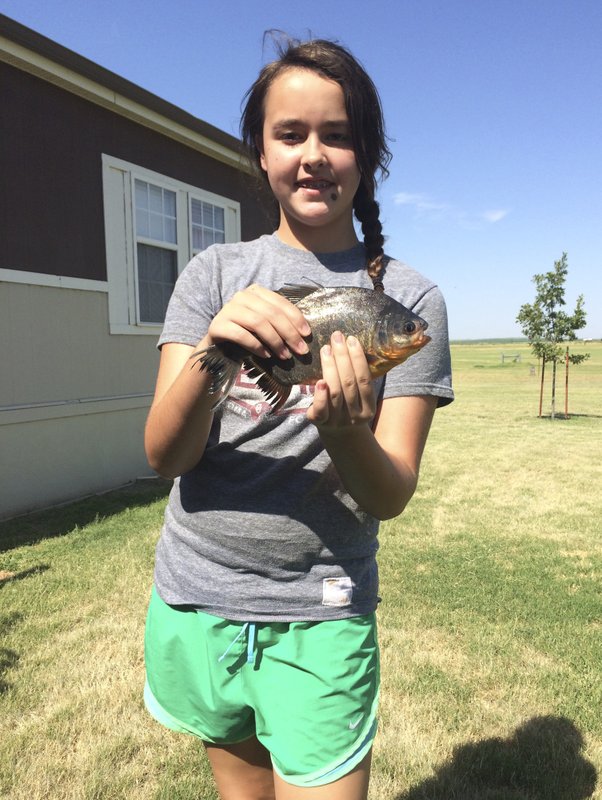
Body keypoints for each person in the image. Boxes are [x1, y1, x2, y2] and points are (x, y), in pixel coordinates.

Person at [143, 36, 453, 800]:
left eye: (337, 135)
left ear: (367, 155)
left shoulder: (410, 304)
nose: (314, 155)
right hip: (195, 596)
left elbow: (390, 496)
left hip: (321, 610)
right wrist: (214, 349)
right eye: (291, 134)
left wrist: (344, 428)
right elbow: (164, 454)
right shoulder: (213, 275)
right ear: (260, 151)